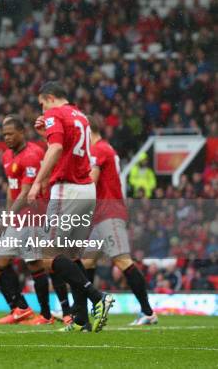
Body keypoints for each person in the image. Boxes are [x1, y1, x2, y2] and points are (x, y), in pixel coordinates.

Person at [29, 81, 113, 333]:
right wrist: (45, 135)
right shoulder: (81, 116)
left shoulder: (54, 113)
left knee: (48, 256)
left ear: (50, 97)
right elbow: (67, 148)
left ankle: (98, 297)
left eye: (42, 104)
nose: (42, 110)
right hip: (87, 190)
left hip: (68, 189)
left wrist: (37, 182)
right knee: (72, 256)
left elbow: (56, 149)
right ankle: (81, 319)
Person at [0, 115, 71, 326]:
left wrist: (9, 215)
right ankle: (21, 308)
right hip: (18, 218)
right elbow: (12, 187)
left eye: (10, 134)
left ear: (22, 133)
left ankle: (48, 314)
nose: (6, 138)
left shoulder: (33, 155)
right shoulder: (7, 156)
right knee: (0, 261)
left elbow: (26, 192)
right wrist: (9, 215)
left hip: (34, 216)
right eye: (4, 135)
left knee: (38, 264)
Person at [83, 118, 157, 325]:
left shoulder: (98, 150)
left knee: (123, 261)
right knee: (87, 261)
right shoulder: (104, 148)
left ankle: (148, 312)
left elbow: (91, 181)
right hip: (100, 214)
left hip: (109, 213)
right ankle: (93, 307)